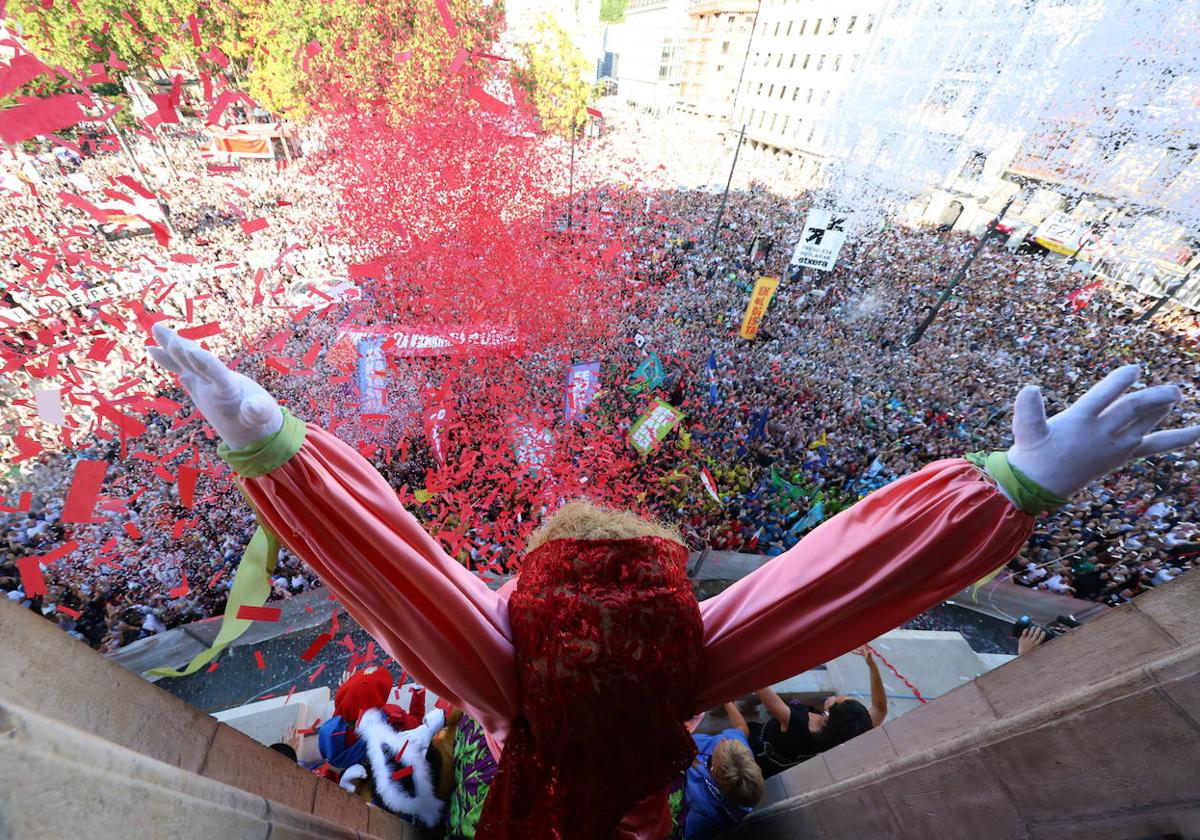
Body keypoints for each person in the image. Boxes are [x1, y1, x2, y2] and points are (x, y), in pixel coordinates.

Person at [148, 323, 1199, 840]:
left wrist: (274, 447)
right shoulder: (683, 661)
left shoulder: (504, 664)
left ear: (530, 583)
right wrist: (1013, 484)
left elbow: (395, 580)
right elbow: (835, 584)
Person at [750, 645, 886, 778]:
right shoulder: (850, 731)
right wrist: (872, 666)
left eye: (837, 699)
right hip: (779, 769)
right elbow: (880, 709)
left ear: (830, 717)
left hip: (754, 748)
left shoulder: (796, 722)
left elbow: (756, 681)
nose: (835, 697)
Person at [683, 702, 764, 839]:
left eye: (719, 747)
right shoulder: (740, 756)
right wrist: (727, 701)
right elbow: (742, 728)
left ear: (713, 770)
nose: (722, 740)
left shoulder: (705, 815)